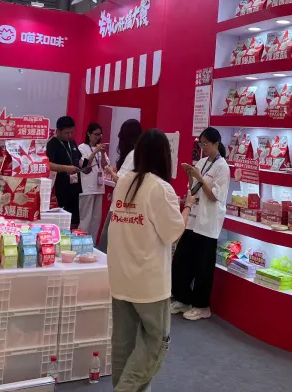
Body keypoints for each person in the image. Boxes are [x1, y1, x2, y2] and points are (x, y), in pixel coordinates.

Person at [108, 129, 192, 392]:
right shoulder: (161, 188)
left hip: (120, 275)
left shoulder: (124, 182)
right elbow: (174, 233)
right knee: (156, 342)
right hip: (149, 281)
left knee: (124, 343)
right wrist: (187, 205)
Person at [171, 127, 230, 321]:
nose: (203, 147)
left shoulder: (222, 167)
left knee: (203, 267)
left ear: (216, 143)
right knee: (181, 261)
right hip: (193, 219)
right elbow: (193, 189)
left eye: (206, 143)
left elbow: (214, 196)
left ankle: (202, 306)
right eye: (201, 143)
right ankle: (182, 298)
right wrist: (190, 174)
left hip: (208, 222)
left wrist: (198, 177)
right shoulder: (203, 162)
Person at [46, 116, 106, 230]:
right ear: (58, 131)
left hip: (75, 187)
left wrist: (86, 166)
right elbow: (48, 164)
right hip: (60, 188)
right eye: (66, 133)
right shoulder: (52, 144)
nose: (69, 135)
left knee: (76, 220)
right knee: (62, 219)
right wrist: (66, 168)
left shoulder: (72, 143)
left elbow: (79, 161)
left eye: (71, 132)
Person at [99, 119, 142, 252]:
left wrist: (109, 171)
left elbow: (120, 179)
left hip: (120, 205)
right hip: (130, 205)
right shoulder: (140, 153)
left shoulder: (133, 154)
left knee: (106, 241)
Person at [78, 123, 108, 240]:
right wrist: (95, 152)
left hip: (99, 188)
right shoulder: (82, 147)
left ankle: (92, 244)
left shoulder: (100, 148)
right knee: (86, 218)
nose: (98, 137)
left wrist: (102, 153)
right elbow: (85, 165)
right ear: (88, 134)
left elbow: (105, 166)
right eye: (95, 134)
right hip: (86, 188)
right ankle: (80, 243)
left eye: (100, 135)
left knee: (96, 219)